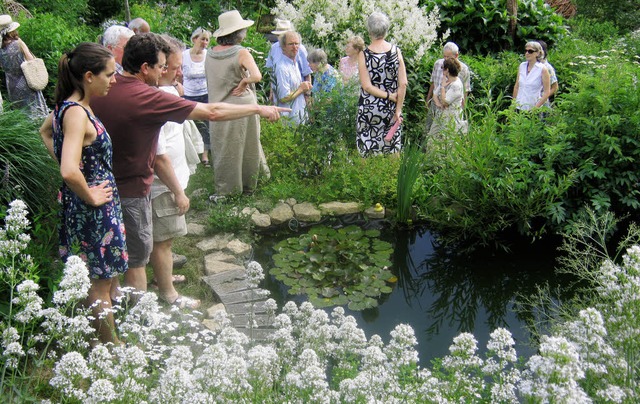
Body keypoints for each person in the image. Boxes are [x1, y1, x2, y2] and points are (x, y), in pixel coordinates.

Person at [76, 33, 287, 299]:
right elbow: (212, 112)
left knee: (111, 255)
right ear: (145, 68)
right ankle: (140, 318)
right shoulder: (148, 97)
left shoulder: (101, 87)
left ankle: (115, 301)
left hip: (98, 188)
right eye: (162, 66)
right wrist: (256, 109)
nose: (166, 72)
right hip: (133, 191)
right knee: (137, 261)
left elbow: (52, 127)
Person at [39, 42, 126, 344]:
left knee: (100, 280)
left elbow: (45, 132)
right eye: (110, 74)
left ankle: (96, 339)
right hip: (92, 210)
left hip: (91, 205)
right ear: (89, 76)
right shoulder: (76, 113)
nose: (114, 80)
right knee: (98, 286)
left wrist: (78, 174)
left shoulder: (67, 106)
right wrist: (88, 193)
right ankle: (112, 349)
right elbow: (67, 170)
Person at [148, 35, 199, 308]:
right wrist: (177, 190)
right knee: (162, 242)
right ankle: (168, 293)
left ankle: (161, 276)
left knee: (164, 240)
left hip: (170, 181)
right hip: (164, 185)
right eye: (176, 66)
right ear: (160, 66)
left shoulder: (166, 93)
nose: (181, 71)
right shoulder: (157, 99)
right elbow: (159, 155)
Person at [206, 10, 266, 199]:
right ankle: (249, 185)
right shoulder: (241, 52)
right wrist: (244, 82)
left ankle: (227, 190)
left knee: (223, 147)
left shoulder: (211, 53)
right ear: (238, 33)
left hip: (218, 107)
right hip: (242, 106)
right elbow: (257, 76)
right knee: (248, 145)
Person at [356, 12, 407, 156]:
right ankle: (393, 178)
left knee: (366, 148)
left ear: (369, 30)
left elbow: (366, 86)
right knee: (392, 147)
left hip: (369, 108)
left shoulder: (364, 54)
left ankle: (366, 178)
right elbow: (403, 84)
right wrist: (398, 109)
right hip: (391, 108)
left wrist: (388, 96)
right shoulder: (396, 52)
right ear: (386, 30)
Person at [0, 15, 48, 118]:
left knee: (21, 114)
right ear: (11, 31)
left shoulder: (1, 49)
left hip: (11, 84)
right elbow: (31, 60)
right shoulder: (18, 43)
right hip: (26, 80)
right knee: (35, 112)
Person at [425, 42, 471, 132]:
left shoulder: (464, 69)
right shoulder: (438, 64)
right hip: (435, 102)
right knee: (429, 128)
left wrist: (462, 108)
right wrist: (428, 100)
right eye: (444, 56)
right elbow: (433, 83)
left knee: (448, 132)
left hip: (451, 106)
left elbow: (465, 91)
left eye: (448, 57)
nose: (445, 59)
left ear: (456, 55)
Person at [182, 27, 211, 167]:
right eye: (202, 39)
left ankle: (205, 155)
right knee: (191, 125)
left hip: (205, 94)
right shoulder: (184, 55)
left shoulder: (208, 55)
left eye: (207, 40)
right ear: (194, 39)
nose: (205, 42)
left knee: (206, 125)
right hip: (189, 95)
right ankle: (192, 153)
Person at [265, 19, 312, 103]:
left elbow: (306, 73)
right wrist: (271, 92)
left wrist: (307, 95)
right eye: (279, 35)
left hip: (297, 91)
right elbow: (272, 72)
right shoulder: (274, 48)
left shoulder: (299, 49)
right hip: (280, 92)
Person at [273, 31, 312, 125]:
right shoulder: (282, 68)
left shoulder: (294, 64)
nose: (295, 47)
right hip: (288, 121)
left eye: (296, 44)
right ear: (283, 47)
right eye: (291, 44)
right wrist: (301, 89)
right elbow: (283, 97)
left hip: (299, 118)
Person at [428, 58, 466, 138]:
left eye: (443, 68)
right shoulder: (445, 80)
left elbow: (445, 101)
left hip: (451, 119)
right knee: (431, 138)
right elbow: (435, 94)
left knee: (448, 141)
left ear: (447, 70)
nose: (442, 71)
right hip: (440, 116)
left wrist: (442, 88)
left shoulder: (456, 85)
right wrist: (438, 104)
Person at [513, 41, 550, 111]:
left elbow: (546, 92)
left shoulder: (542, 69)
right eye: (526, 51)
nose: (527, 53)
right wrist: (513, 104)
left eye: (530, 51)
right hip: (518, 107)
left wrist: (535, 108)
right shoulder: (522, 66)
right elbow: (517, 86)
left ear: (537, 53)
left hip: (532, 108)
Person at [537, 39, 558, 106]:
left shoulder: (547, 67)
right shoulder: (529, 66)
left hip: (542, 104)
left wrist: (543, 97)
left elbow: (555, 87)